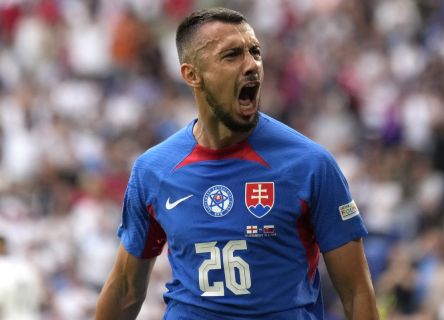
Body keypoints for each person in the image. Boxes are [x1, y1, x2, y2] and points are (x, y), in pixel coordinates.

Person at [96, 7, 378, 320]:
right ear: (192, 74)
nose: (251, 65)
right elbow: (124, 289)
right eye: (232, 55)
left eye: (255, 52)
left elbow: (356, 293)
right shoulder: (153, 170)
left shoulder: (311, 165)